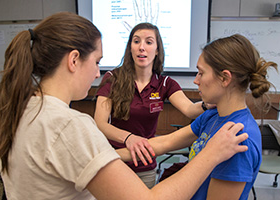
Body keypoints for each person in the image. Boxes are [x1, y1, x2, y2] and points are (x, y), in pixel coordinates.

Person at [0, 12, 248, 200]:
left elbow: (166, 139)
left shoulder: (12, 113)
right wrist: (211, 154)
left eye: (149, 42)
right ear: (73, 60)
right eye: (96, 61)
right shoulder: (70, 125)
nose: (96, 73)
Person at [118, 34, 278, 199]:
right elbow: (165, 142)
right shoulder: (213, 115)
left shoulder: (237, 138)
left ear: (225, 78)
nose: (196, 80)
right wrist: (107, 157)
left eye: (201, 73)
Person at [94, 22, 211, 188]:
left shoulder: (165, 83)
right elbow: (99, 123)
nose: (142, 47)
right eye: (136, 41)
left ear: (157, 50)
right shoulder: (113, 78)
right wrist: (129, 138)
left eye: (148, 42)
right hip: (115, 161)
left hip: (145, 164)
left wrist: (209, 104)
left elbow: (190, 110)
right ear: (130, 48)